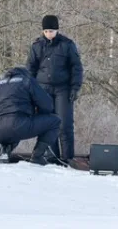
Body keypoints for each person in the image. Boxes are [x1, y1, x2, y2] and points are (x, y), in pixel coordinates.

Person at [26, 14, 84, 163]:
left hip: (62, 89)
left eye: (51, 31)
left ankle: (67, 157)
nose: (48, 34)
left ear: (57, 30)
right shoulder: (37, 45)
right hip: (42, 89)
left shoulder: (67, 44)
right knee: (47, 123)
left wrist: (75, 88)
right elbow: (31, 68)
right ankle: (52, 156)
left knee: (64, 124)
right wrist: (30, 90)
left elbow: (76, 67)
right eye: (46, 31)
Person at [0, 66, 61, 165]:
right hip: (19, 125)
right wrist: (36, 112)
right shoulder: (27, 81)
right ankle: (37, 156)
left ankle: (5, 150)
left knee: (11, 127)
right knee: (55, 121)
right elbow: (47, 105)